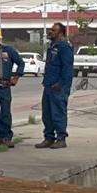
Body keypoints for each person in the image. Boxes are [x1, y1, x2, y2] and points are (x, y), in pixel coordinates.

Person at [37, 21, 75, 149]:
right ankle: (49, 138)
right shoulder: (52, 47)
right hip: (48, 85)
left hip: (58, 87)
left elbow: (67, 68)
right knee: (47, 114)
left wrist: (61, 84)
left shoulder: (64, 47)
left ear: (60, 33)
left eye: (53, 30)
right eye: (51, 30)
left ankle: (61, 138)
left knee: (58, 113)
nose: (50, 32)